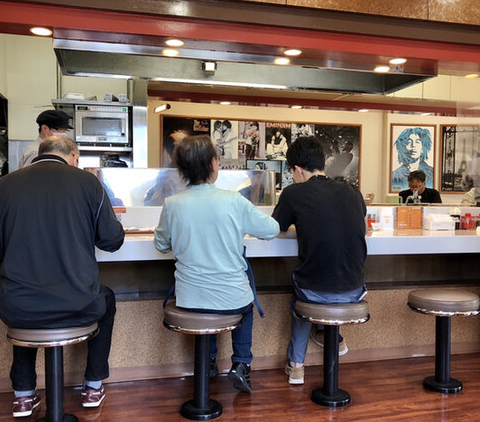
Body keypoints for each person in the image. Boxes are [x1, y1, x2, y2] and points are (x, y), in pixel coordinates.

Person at [0, 136, 125, 417]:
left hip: (18, 307)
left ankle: (23, 394)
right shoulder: (89, 183)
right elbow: (112, 240)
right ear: (73, 156)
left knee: (26, 296)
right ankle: (93, 385)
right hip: (78, 303)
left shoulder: (2, 186)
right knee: (106, 298)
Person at [154, 135, 279, 393]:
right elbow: (272, 229)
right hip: (231, 296)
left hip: (189, 298)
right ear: (213, 163)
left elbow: (162, 245)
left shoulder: (172, 204)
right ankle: (241, 364)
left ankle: (208, 361)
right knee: (245, 309)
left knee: (205, 306)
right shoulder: (234, 201)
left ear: (182, 169)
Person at [272, 136, 367, 385]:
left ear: (297, 170)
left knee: (303, 297)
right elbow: (361, 227)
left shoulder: (293, 193)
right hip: (354, 291)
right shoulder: (352, 191)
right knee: (324, 281)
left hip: (314, 293)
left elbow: (276, 229)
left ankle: (296, 367)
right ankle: (333, 337)